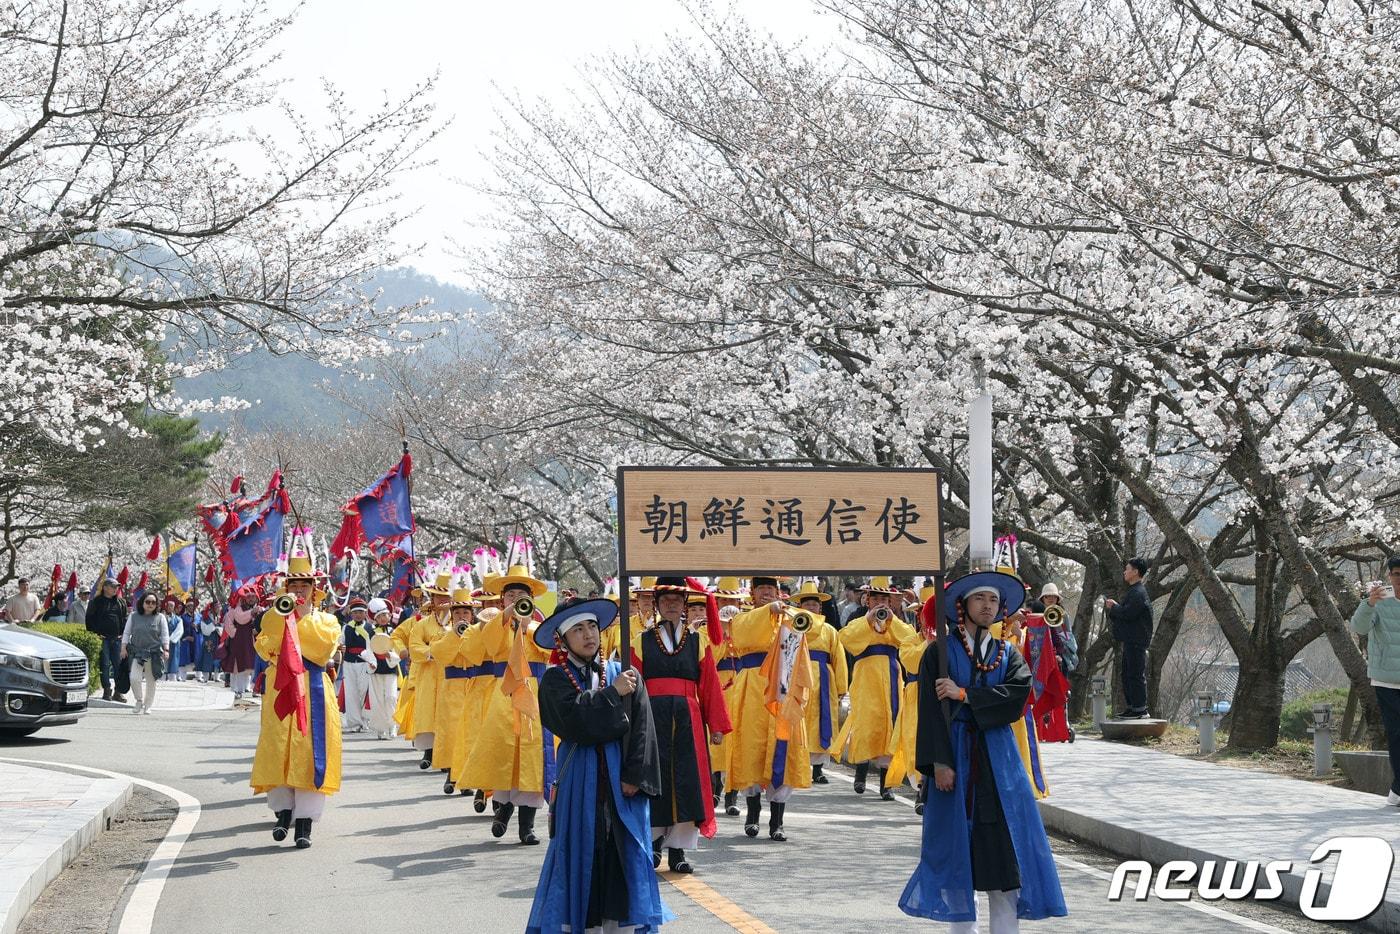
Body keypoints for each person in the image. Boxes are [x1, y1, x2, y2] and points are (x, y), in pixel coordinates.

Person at [900, 569, 1067, 931]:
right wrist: (939, 763)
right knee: (958, 859)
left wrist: (965, 695)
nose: (987, 606)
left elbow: (1018, 696)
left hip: (1000, 764)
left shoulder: (1008, 654)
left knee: (1006, 862)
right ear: (963, 605)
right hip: (955, 758)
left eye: (993, 600)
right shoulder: (938, 654)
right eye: (980, 598)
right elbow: (930, 714)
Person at [527, 598, 671, 934]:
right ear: (562, 640)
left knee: (624, 857)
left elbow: (642, 729)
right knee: (583, 855)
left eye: (592, 626)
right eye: (577, 629)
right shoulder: (554, 681)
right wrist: (611, 696)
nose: (588, 635)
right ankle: (585, 925)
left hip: (622, 784)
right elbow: (574, 723)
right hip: (581, 781)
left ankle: (624, 926)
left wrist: (635, 776)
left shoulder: (623, 674)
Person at [630, 576, 731, 874]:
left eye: (677, 600)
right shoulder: (641, 640)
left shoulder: (698, 642)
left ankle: (679, 851)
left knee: (687, 781)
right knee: (655, 778)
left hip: (689, 717)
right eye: (665, 601)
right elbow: (635, 683)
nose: (671, 605)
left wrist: (715, 725)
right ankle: (654, 845)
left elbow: (710, 685)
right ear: (658, 605)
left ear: (685, 605)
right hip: (652, 716)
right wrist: (633, 722)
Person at [250, 555, 342, 849]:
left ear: (315, 591)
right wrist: (283, 613)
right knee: (278, 749)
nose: (299, 592)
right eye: (294, 586)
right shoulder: (273, 615)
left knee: (310, 752)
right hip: (282, 688)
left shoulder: (327, 621)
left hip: (313, 688)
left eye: (305, 586)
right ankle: (282, 812)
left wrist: (299, 617)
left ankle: (304, 823)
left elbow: (321, 649)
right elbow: (266, 646)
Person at [461, 563, 552, 844]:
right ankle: (502, 811)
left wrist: (528, 626)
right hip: (505, 693)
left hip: (533, 693)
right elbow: (485, 646)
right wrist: (506, 618)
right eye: (510, 596)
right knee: (504, 753)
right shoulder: (493, 625)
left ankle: (527, 827)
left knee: (532, 758)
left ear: (531, 600)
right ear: (503, 600)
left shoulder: (538, 627)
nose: (515, 600)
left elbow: (549, 650)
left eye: (520, 596)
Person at [723, 577, 814, 843]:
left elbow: (816, 628)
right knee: (751, 748)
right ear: (752, 594)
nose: (766, 594)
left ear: (779, 593)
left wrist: (788, 615)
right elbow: (741, 633)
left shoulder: (791, 619)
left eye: (771, 590)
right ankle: (752, 812)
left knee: (783, 749)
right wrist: (768, 611)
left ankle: (777, 821)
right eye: (761, 590)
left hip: (784, 687)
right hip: (753, 689)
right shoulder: (742, 619)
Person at [833, 577, 918, 800]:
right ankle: (860, 773)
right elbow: (846, 639)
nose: (880, 603)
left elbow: (910, 639)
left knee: (889, 724)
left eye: (884, 599)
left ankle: (885, 784)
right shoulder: (858, 620)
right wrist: (868, 621)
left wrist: (893, 621)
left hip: (890, 674)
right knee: (865, 722)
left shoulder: (897, 621)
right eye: (876, 599)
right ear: (867, 601)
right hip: (865, 675)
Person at [1351, 556, 1400, 807]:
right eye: (1396, 574)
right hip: (1387, 681)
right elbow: (1358, 627)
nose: (1399, 580)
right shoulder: (1378, 603)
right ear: (1390, 576)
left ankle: (1398, 789)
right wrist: (1369, 602)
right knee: (1396, 734)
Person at [406, 572, 454, 769]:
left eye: (446, 597)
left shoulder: (457, 622)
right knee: (429, 712)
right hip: (429, 673)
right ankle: (429, 751)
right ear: (432, 600)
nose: (442, 601)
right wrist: (431, 652)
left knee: (449, 713)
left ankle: (448, 756)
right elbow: (414, 645)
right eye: (438, 597)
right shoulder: (422, 624)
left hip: (450, 675)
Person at [1105, 557, 1153, 719]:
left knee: (1135, 674)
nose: (1124, 572)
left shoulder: (1138, 593)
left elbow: (1128, 613)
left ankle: (1140, 709)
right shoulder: (1134, 591)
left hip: (1137, 640)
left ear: (1136, 572)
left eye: (1127, 569)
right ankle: (1133, 706)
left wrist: (1114, 607)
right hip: (1131, 639)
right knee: (1127, 674)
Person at [121, 592, 171, 715]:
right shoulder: (133, 616)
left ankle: (148, 705)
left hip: (154, 653)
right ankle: (139, 700)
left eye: (153, 602)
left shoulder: (160, 617)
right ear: (142, 603)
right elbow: (126, 633)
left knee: (151, 680)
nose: (150, 605)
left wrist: (166, 650)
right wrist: (123, 648)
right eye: (147, 602)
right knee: (134, 677)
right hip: (137, 652)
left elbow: (165, 635)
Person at [85, 578, 129, 702]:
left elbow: (125, 619)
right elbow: (89, 619)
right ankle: (106, 690)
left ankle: (118, 692)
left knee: (118, 666)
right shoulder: (96, 602)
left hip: (117, 639)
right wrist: (96, 634)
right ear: (105, 587)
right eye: (113, 586)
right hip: (102, 639)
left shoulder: (121, 602)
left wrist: (123, 634)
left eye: (117, 587)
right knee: (104, 665)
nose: (115, 589)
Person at [365, 598, 402, 740]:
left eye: (384, 615)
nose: (382, 619)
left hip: (390, 666)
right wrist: (371, 662)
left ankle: (392, 725)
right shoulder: (371, 632)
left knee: (391, 697)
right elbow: (368, 649)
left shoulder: (395, 631)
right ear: (375, 618)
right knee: (377, 699)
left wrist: (390, 655)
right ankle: (381, 729)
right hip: (376, 668)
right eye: (378, 616)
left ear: (389, 615)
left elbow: (398, 648)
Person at [338, 597, 375, 734]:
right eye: (355, 612)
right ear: (351, 614)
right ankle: (354, 722)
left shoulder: (370, 628)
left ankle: (365, 720)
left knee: (364, 691)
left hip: (364, 663)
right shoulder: (346, 627)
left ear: (365, 613)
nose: (358, 614)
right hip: (349, 662)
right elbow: (340, 642)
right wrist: (340, 647)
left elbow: (373, 646)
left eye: (361, 612)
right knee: (350, 692)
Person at [224, 593, 259, 698]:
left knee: (254, 665)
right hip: (241, 639)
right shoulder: (239, 608)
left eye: (253, 596)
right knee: (240, 663)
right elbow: (239, 619)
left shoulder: (260, 608)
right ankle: (237, 689)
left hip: (256, 640)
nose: (251, 599)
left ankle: (253, 688)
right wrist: (235, 633)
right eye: (248, 597)